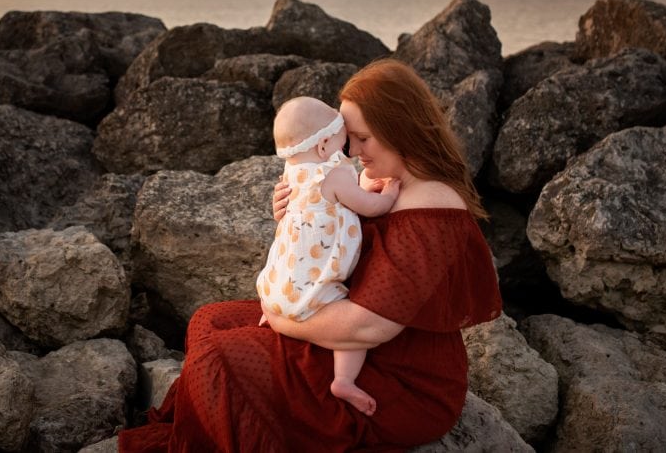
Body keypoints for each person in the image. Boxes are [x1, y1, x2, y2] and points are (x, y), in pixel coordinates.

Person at [119, 58, 502, 452]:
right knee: (208, 322)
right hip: (347, 339)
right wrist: (294, 217)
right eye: (348, 137)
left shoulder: (433, 208)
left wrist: (282, 320)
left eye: (362, 138)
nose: (351, 150)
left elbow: (369, 327)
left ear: (399, 128)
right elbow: (335, 240)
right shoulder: (377, 174)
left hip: (400, 379)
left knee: (216, 359)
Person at [258, 96, 399, 415]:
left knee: (287, 283)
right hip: (320, 285)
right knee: (350, 335)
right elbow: (371, 206)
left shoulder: (292, 170)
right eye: (344, 139)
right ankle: (344, 380)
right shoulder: (335, 172)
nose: (350, 148)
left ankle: (276, 307)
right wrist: (389, 192)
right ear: (323, 147)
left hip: (283, 280)